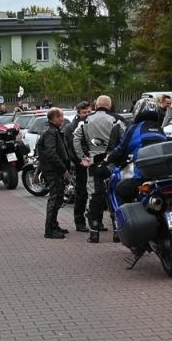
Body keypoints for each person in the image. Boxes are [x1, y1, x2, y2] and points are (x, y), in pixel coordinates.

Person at [72, 95, 124, 242]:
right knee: (115, 195)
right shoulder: (117, 119)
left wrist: (82, 157)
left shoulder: (86, 120)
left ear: (95, 105)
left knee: (94, 197)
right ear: (110, 105)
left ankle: (94, 233)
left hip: (93, 164)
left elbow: (75, 138)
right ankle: (117, 232)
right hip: (112, 164)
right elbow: (125, 139)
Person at [35, 108, 75, 239]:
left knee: (58, 198)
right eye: (60, 117)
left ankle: (54, 225)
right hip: (53, 170)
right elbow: (51, 153)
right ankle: (49, 230)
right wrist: (63, 168)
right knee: (54, 197)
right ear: (54, 118)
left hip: (55, 169)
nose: (62, 119)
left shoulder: (53, 130)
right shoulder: (50, 132)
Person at [65, 101, 91, 233]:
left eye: (89, 112)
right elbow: (71, 147)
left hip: (93, 162)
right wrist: (79, 160)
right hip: (80, 165)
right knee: (81, 193)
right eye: (84, 112)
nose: (87, 115)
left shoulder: (93, 124)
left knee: (96, 193)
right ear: (78, 113)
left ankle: (94, 220)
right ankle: (79, 221)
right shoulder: (71, 128)